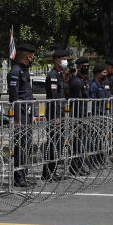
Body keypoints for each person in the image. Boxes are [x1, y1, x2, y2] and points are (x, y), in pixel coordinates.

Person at [7, 41, 36, 187]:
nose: (33, 59)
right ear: (28, 56)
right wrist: (17, 118)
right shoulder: (15, 71)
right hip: (21, 114)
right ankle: (18, 176)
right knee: (20, 145)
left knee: (27, 145)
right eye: (32, 56)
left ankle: (23, 174)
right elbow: (14, 97)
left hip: (28, 113)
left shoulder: (24, 70)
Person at [42, 49, 69, 181]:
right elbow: (54, 98)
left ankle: (52, 171)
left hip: (60, 114)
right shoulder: (53, 75)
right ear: (57, 60)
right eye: (64, 58)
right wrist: (57, 116)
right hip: (54, 115)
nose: (66, 61)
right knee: (52, 144)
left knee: (58, 144)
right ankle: (47, 172)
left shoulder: (59, 75)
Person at [68, 57, 92, 176]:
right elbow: (76, 102)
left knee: (82, 142)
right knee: (77, 142)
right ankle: (74, 166)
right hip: (78, 116)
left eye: (87, 66)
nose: (86, 68)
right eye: (83, 66)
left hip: (85, 115)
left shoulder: (86, 81)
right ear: (78, 67)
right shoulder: (76, 82)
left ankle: (80, 164)